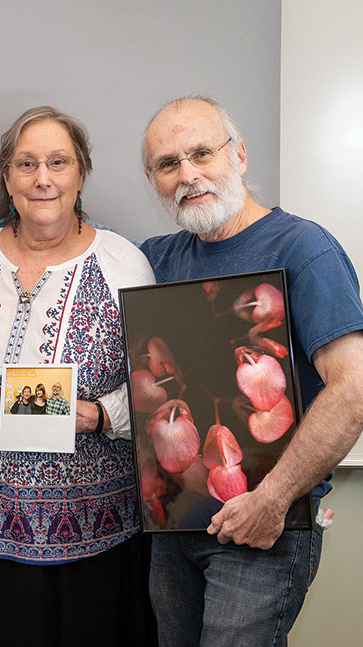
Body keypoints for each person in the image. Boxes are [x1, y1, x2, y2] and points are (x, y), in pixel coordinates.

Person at [139, 95, 363, 647]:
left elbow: (353, 389)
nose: (188, 175)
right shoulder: (155, 259)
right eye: (168, 164)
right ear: (154, 180)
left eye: (201, 153)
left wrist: (272, 500)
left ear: (238, 154)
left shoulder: (303, 248)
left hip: (267, 525)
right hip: (176, 523)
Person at [0, 106, 157, 646]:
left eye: (58, 162)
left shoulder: (123, 263)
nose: (43, 178)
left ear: (81, 174)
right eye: (26, 164)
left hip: (94, 536)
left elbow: (163, 390)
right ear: (7, 179)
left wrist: (100, 414)